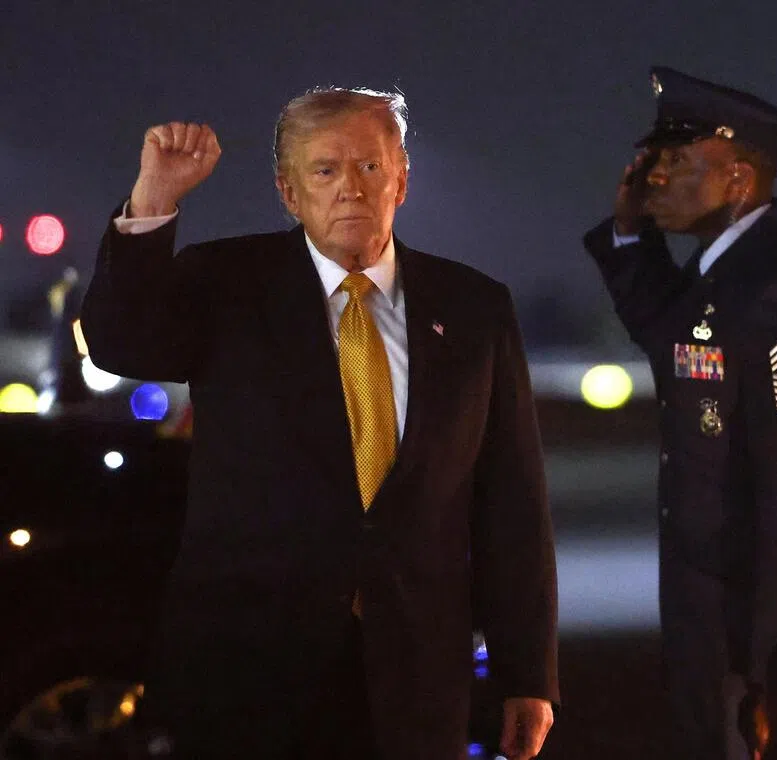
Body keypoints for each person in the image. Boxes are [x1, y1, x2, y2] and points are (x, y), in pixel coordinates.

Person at [80, 87, 558, 760]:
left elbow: (513, 504)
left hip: (417, 680)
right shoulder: (225, 283)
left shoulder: (475, 308)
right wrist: (154, 199)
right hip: (250, 671)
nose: (350, 189)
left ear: (402, 180)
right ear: (288, 190)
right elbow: (119, 342)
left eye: (369, 166)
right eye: (325, 170)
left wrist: (528, 675)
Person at [583, 67, 777, 760]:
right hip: (709, 615)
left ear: (739, 179)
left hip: (751, 630)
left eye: (677, 162)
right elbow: (668, 332)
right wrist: (628, 235)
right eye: (654, 160)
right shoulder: (722, 274)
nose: (654, 176)